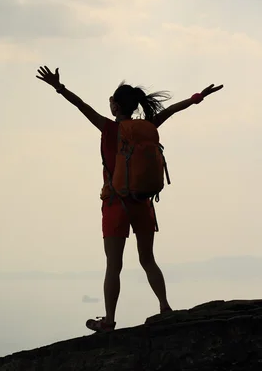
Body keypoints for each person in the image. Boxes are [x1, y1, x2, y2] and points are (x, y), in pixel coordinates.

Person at [36, 65, 223, 333]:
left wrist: (58, 86)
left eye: (111, 102)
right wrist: (196, 98)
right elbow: (170, 110)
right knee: (147, 259)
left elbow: (81, 105)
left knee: (114, 265)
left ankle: (109, 322)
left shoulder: (109, 128)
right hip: (142, 202)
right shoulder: (146, 126)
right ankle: (165, 307)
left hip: (115, 203)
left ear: (115, 106)